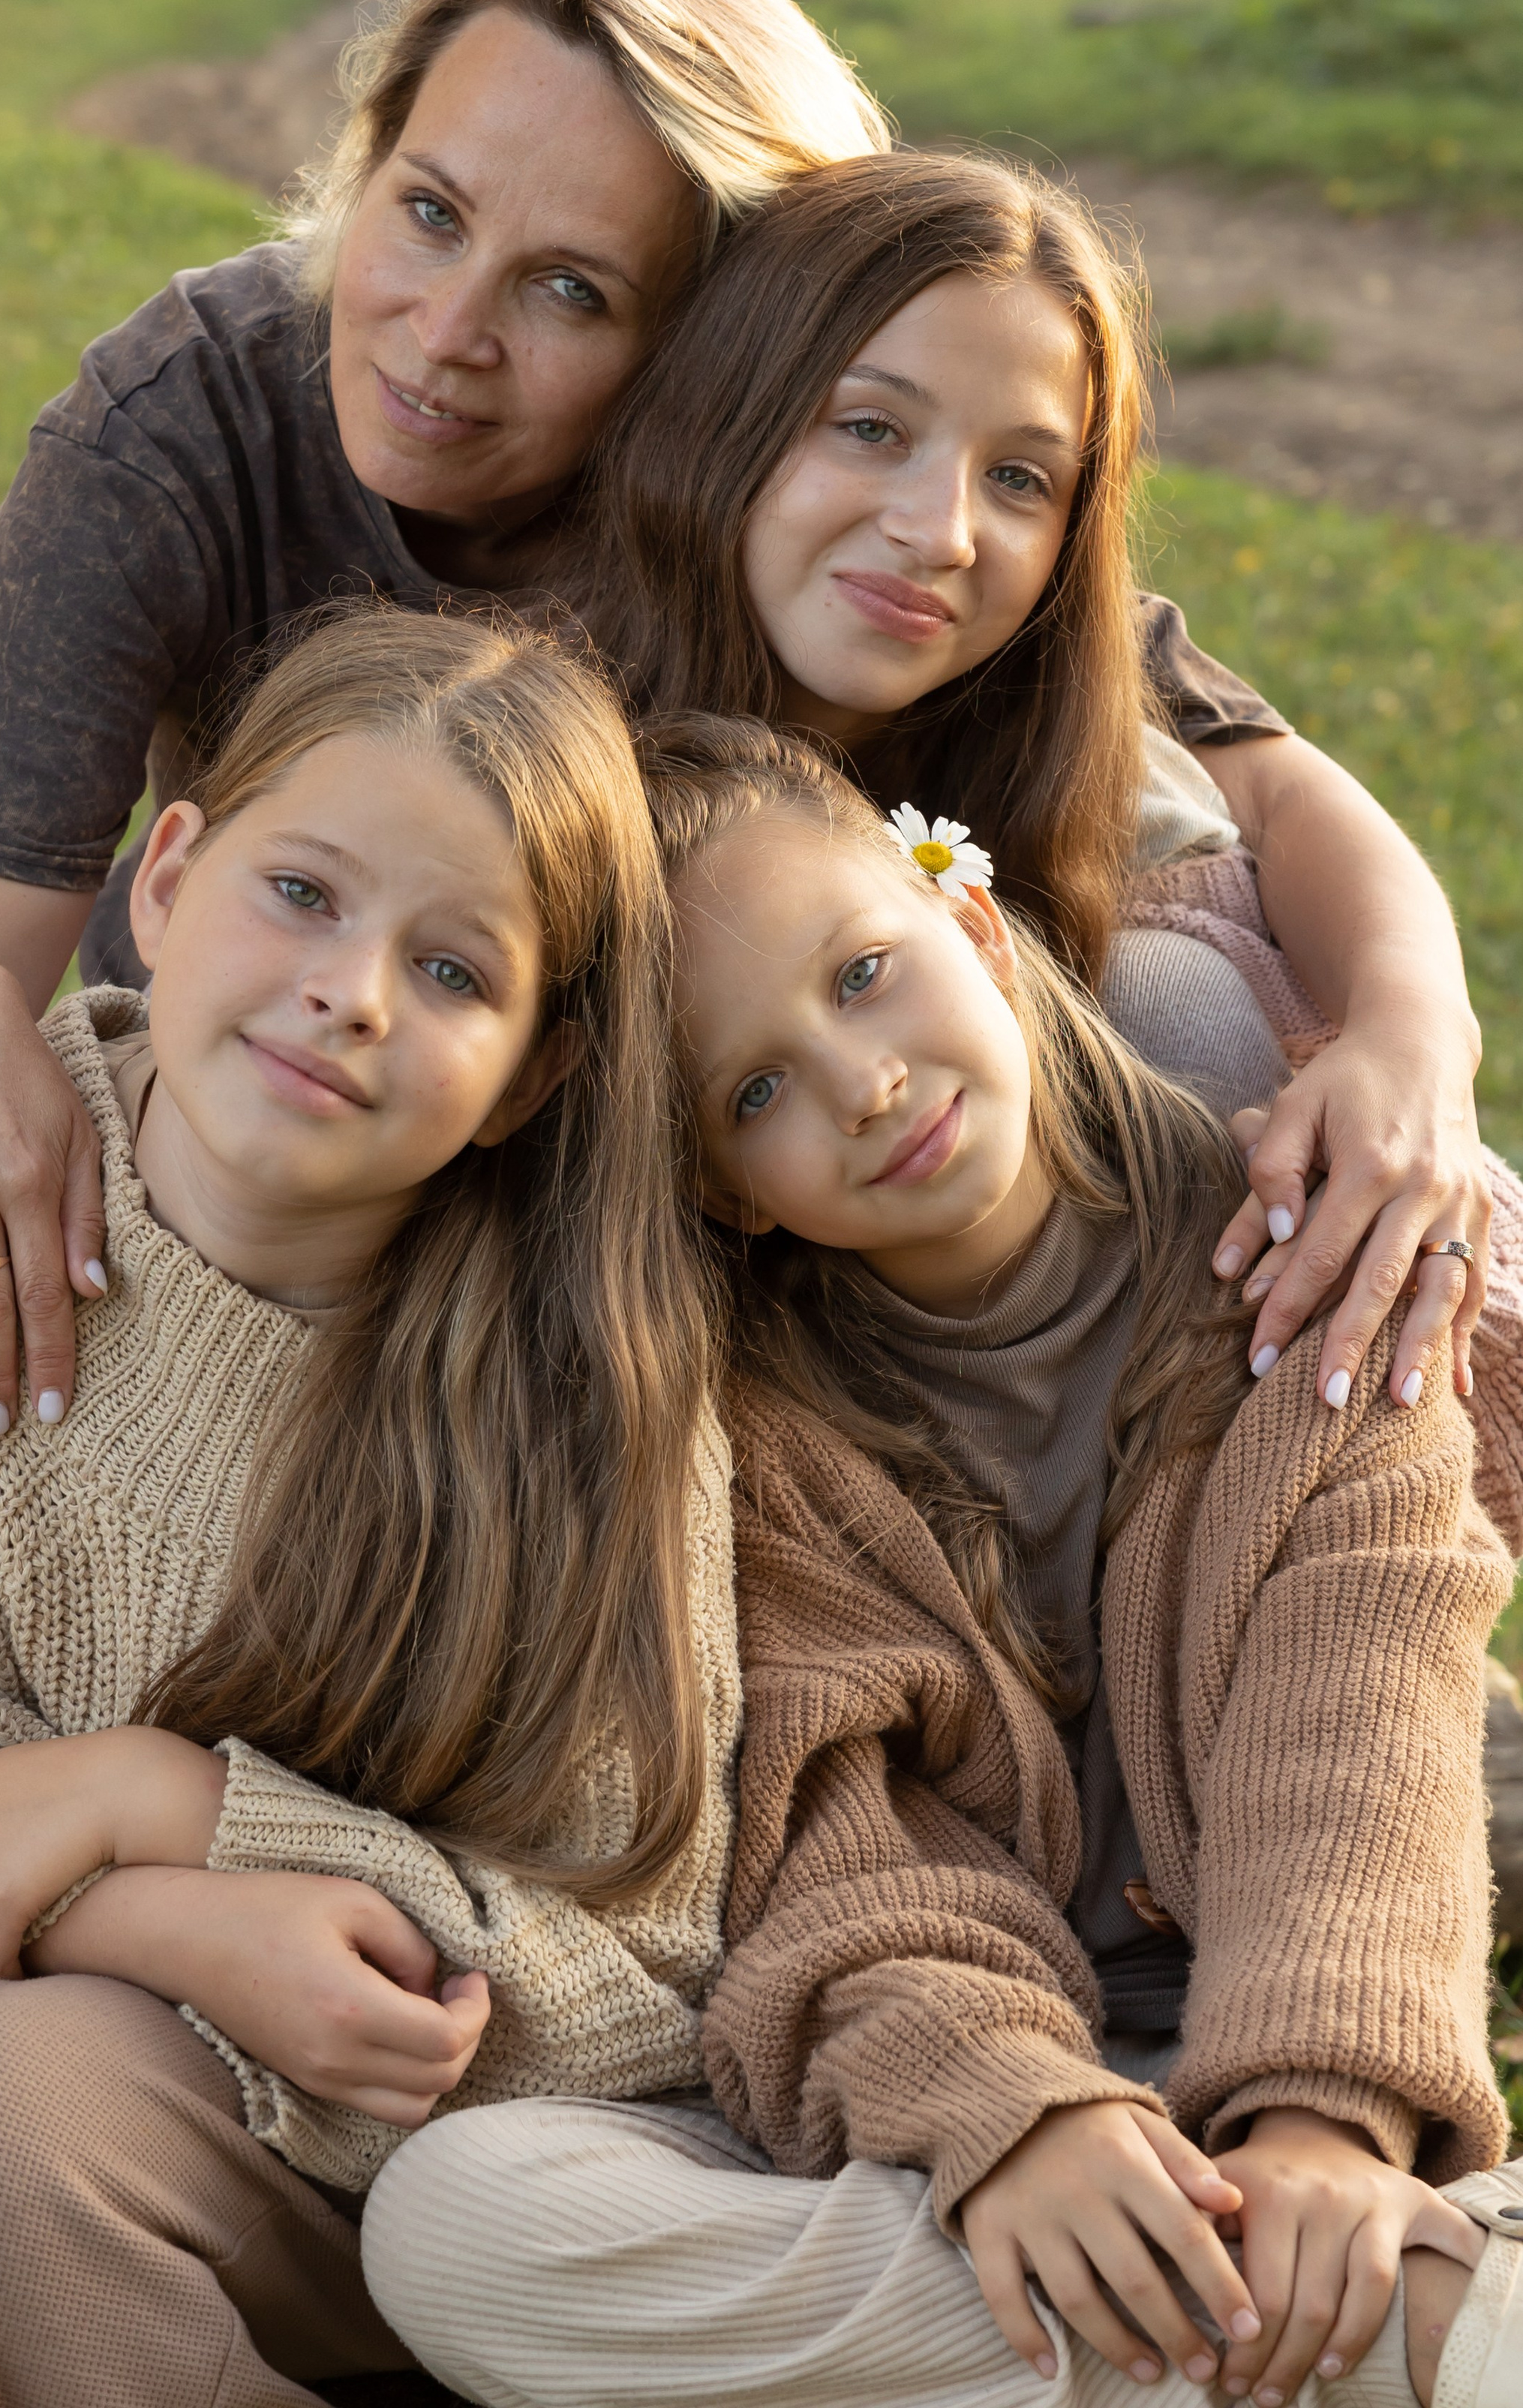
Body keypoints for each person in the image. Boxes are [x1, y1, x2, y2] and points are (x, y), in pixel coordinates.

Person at [0, 0, 1307, 1484]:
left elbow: (1221, 743)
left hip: (642, 1124)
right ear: (367, 159)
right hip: (280, 1069)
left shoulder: (783, 490)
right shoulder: (187, 420)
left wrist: (1406, 1032)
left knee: (1184, 1019)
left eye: (570, 291)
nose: (444, 333)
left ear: (718, 349)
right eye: (427, 211)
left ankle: (1192, 1540)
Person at [0, 609, 740, 2408]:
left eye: (453, 972)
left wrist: (198, 1815)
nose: (351, 990)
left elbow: (637, 1961)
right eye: (301, 892)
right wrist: (130, 1906)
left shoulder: (580, 1379)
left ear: (532, 1076)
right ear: (170, 875)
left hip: (305, 2156)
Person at [359, 716, 1523, 2408]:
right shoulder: (740, 1439)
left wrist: (1314, 2124)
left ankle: (1288, 2301)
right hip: (971, 2145)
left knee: (1298, 2215)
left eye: (861, 974)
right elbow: (827, 1838)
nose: (862, 1082)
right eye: (754, 1091)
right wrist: (1012, 2116)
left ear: (971, 923)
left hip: (1269, 2081)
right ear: (723, 1190)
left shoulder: (1299, 1245)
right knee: (458, 2224)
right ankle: (1398, 2336)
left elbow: (1361, 1718)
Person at [569, 146, 1508, 1426]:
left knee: (1168, 1000)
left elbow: (1290, 796)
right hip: (861, 1434)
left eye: (1021, 477)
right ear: (731, 404)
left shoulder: (1057, 674)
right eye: (871, 426)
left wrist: (1414, 1041)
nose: (941, 529)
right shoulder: (577, 757)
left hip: (1262, 1330)